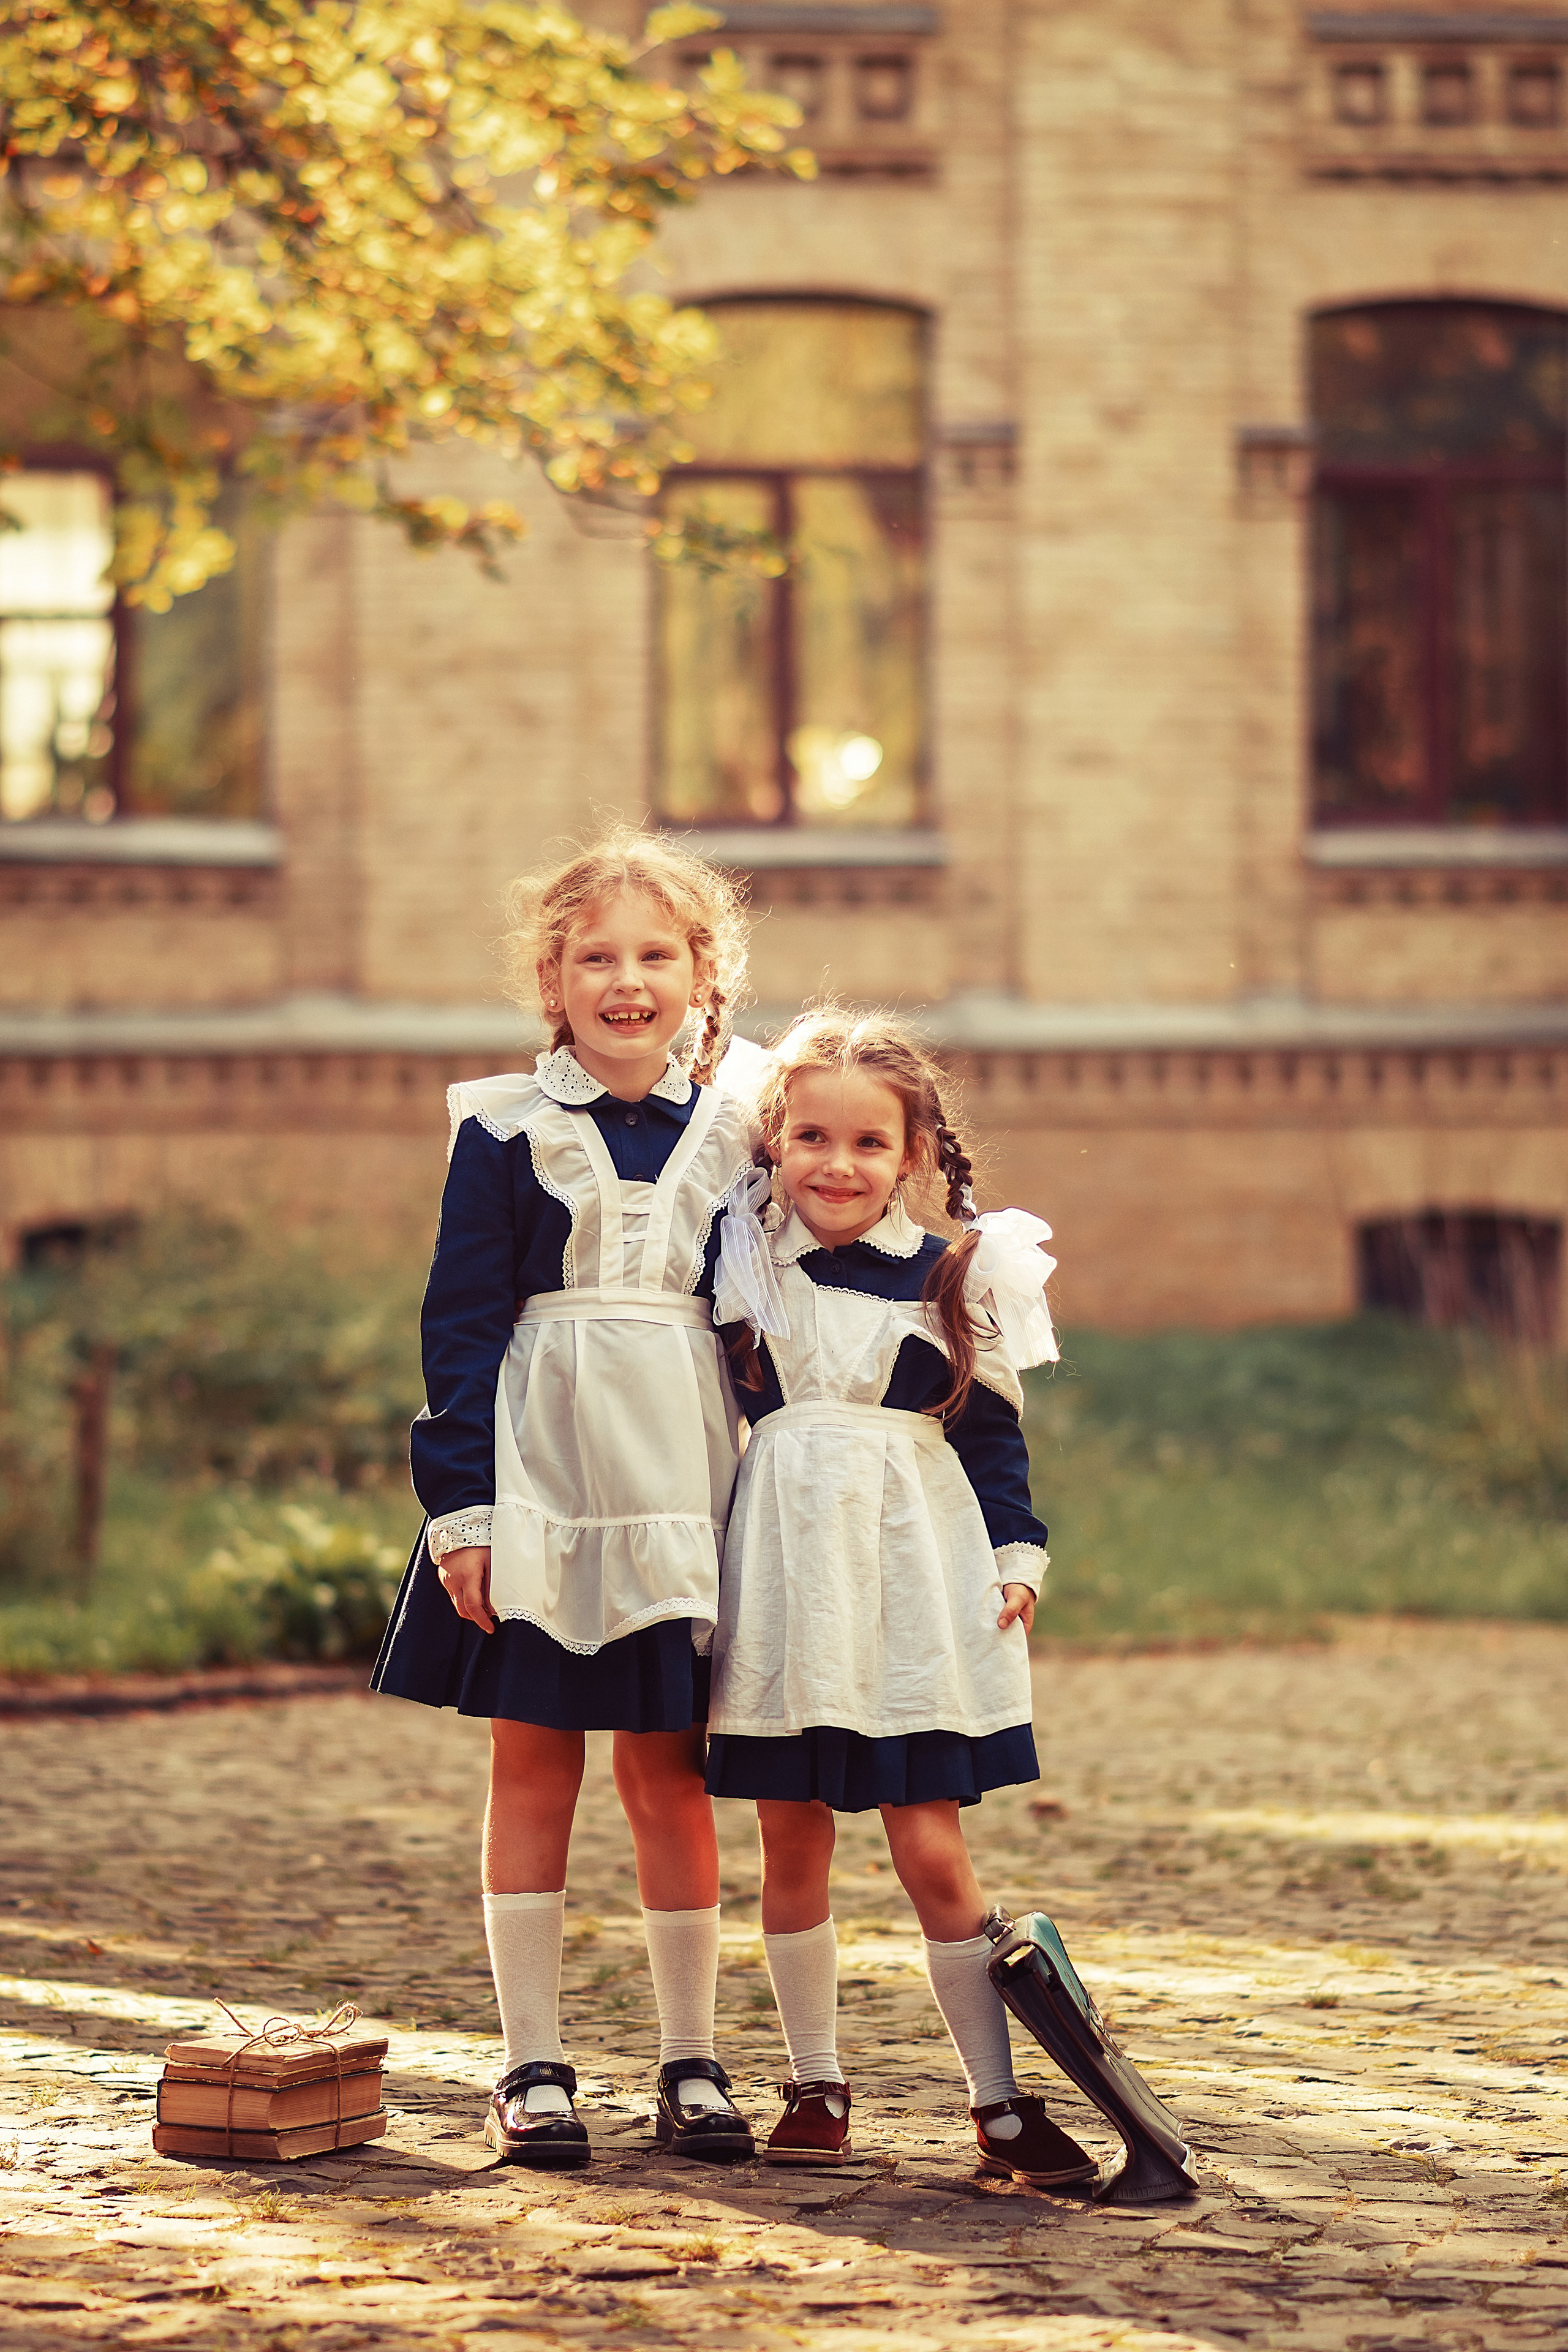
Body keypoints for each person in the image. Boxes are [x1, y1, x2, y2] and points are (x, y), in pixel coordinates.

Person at [372, 829, 767, 2169]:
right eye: (595, 957)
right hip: (540, 1474)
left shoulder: (744, 1134)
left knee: (668, 1770)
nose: (625, 982)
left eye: (655, 955)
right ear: (551, 980)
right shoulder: (500, 1130)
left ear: (702, 976)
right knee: (533, 1759)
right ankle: (531, 2063)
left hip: (679, 1482)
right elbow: (460, 1325)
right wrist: (465, 1513)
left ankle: (691, 2059)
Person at [706, 1008, 1098, 2190]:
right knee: (792, 1840)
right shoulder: (739, 1263)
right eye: (811, 1137)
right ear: (773, 1142)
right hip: (782, 1578)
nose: (838, 1164)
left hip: (914, 1582)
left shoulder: (957, 1276)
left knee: (931, 1844)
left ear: (914, 1152)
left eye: (869, 1142)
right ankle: (814, 2083)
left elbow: (992, 1438)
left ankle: (1000, 2102)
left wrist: (1017, 1555)